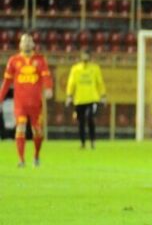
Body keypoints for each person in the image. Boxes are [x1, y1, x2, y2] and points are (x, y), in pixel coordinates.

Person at [0, 32, 53, 167]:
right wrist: (0, 97)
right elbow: (6, 82)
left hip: (36, 103)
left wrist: (48, 88)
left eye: (29, 41)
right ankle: (21, 160)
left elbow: (46, 76)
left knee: (38, 131)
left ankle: (36, 156)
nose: (27, 43)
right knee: (20, 128)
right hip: (20, 103)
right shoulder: (14, 61)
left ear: (33, 44)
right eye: (24, 41)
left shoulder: (40, 60)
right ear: (20, 44)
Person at [65, 50, 107, 149]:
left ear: (90, 56)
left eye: (87, 55)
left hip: (92, 99)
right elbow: (71, 83)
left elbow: (100, 82)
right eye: (84, 55)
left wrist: (103, 95)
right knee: (81, 122)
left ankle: (92, 141)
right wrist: (69, 95)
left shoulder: (95, 68)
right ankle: (82, 143)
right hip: (79, 100)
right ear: (81, 56)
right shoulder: (75, 69)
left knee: (90, 118)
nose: (85, 57)